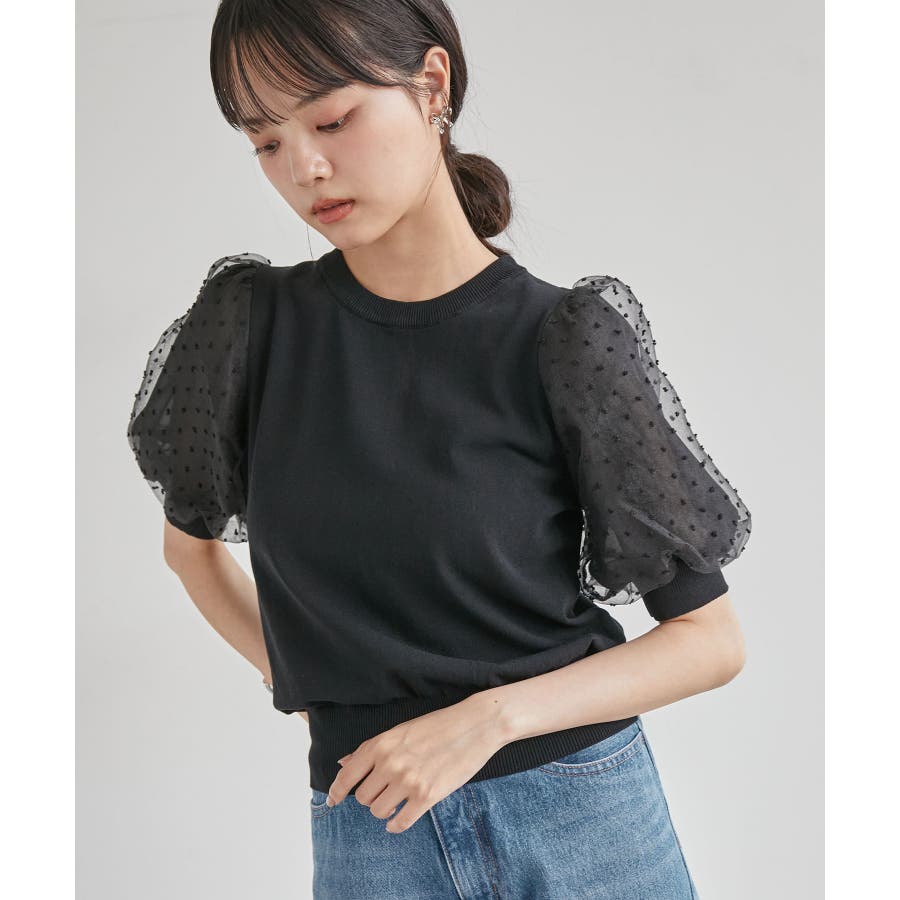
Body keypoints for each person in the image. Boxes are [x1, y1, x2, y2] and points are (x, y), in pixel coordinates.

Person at [126, 1, 752, 897]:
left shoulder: (565, 339)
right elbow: (189, 551)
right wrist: (321, 691)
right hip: (371, 831)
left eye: (332, 120)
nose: (303, 167)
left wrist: (486, 721)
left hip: (583, 821)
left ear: (431, 86)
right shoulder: (248, 328)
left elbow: (709, 641)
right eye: (265, 141)